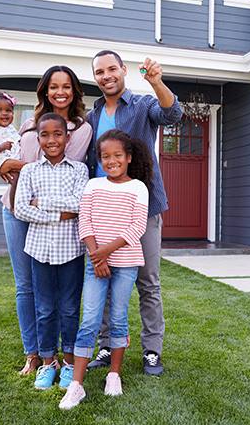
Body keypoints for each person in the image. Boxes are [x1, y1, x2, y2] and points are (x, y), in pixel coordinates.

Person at [85, 50, 182, 375]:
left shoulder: (141, 105)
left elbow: (172, 114)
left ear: (123, 70)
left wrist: (156, 82)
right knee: (103, 277)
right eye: (100, 71)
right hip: (102, 211)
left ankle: (152, 351)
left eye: (112, 68)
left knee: (148, 282)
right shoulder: (93, 115)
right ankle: (105, 345)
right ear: (95, 77)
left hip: (142, 208)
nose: (106, 75)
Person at [0, 66, 93, 376]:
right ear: (45, 90)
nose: (60, 92)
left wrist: (22, 171)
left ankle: (59, 357)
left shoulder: (82, 129)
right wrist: (6, 164)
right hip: (15, 208)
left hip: (57, 222)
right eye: (54, 86)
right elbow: (23, 165)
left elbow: (63, 164)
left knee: (62, 298)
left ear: (74, 91)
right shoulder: (27, 124)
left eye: (67, 86)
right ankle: (35, 354)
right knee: (26, 286)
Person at [59, 129, 152, 409]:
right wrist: (96, 257)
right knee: (89, 319)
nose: (111, 161)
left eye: (117, 156)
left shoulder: (138, 188)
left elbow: (137, 227)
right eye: (105, 156)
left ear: (128, 157)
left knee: (119, 317)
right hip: (96, 262)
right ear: (99, 159)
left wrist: (105, 253)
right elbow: (84, 222)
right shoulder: (93, 186)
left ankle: (114, 374)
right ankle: (76, 385)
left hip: (126, 263)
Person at [14, 113, 89, 390]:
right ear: (38, 139)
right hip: (39, 251)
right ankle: (48, 363)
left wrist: (41, 202)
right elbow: (22, 208)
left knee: (69, 309)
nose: (52, 140)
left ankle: (69, 363)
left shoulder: (79, 170)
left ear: (67, 138)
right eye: (45, 135)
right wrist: (60, 215)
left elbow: (79, 203)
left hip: (71, 251)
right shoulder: (30, 171)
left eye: (58, 134)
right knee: (44, 309)